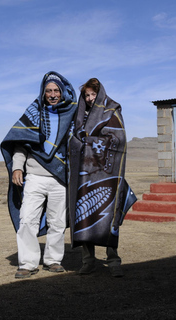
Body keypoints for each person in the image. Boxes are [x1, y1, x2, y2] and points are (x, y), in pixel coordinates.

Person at [0, 71, 77, 279]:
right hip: (34, 176)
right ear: (43, 93)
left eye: (56, 90)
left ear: (62, 92)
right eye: (49, 90)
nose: (52, 94)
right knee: (27, 219)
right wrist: (17, 167)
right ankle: (27, 263)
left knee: (57, 222)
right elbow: (21, 142)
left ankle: (53, 261)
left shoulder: (72, 113)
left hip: (60, 179)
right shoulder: (34, 112)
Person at [68, 78, 137, 277]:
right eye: (86, 95)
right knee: (83, 216)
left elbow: (119, 139)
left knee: (109, 216)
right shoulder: (79, 116)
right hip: (83, 175)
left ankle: (113, 261)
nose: (89, 99)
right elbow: (73, 139)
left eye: (92, 95)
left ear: (100, 94)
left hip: (107, 174)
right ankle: (88, 261)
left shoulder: (112, 110)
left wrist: (87, 142)